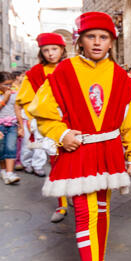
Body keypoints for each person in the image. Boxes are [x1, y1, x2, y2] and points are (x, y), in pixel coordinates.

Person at [28, 12, 131, 261]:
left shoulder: (122, 77)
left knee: (102, 211)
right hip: (77, 152)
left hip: (108, 152)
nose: (97, 42)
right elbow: (43, 113)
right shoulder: (63, 71)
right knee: (85, 213)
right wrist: (60, 133)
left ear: (111, 42)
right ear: (79, 40)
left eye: (103, 37)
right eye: (91, 36)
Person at [16, 32, 70, 223]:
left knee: (74, 163)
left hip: (73, 123)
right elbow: (26, 100)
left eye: (54, 49)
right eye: (46, 50)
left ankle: (75, 195)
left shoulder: (73, 68)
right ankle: (62, 203)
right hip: (49, 126)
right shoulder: (34, 74)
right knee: (56, 164)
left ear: (62, 49)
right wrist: (34, 120)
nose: (50, 53)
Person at [0, 71, 23, 184]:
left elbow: (17, 110)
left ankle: (10, 173)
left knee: (11, 147)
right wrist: (4, 99)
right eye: (5, 84)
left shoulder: (14, 94)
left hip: (12, 124)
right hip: (0, 125)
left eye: (10, 84)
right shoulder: (3, 95)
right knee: (1, 149)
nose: (9, 87)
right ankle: (3, 171)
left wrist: (21, 127)